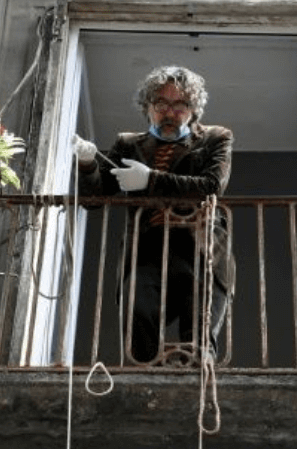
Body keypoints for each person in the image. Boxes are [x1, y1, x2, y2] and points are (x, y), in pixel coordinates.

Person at [75, 65, 235, 365]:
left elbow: (212, 186)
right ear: (148, 107)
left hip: (200, 249)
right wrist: (87, 163)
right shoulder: (128, 144)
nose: (169, 112)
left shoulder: (215, 138)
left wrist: (150, 180)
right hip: (147, 250)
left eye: (180, 105)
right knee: (138, 321)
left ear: (193, 110)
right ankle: (144, 381)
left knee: (198, 340)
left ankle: (198, 390)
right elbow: (94, 199)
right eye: (161, 103)